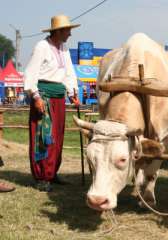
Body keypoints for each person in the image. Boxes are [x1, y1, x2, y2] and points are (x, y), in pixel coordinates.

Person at [24, 15, 80, 192]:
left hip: (59, 98)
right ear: (58, 31)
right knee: (43, 137)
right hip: (44, 97)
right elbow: (31, 72)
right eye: (67, 30)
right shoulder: (42, 46)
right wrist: (36, 97)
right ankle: (42, 177)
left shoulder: (64, 49)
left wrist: (72, 93)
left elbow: (69, 73)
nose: (70, 34)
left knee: (58, 136)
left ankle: (52, 172)